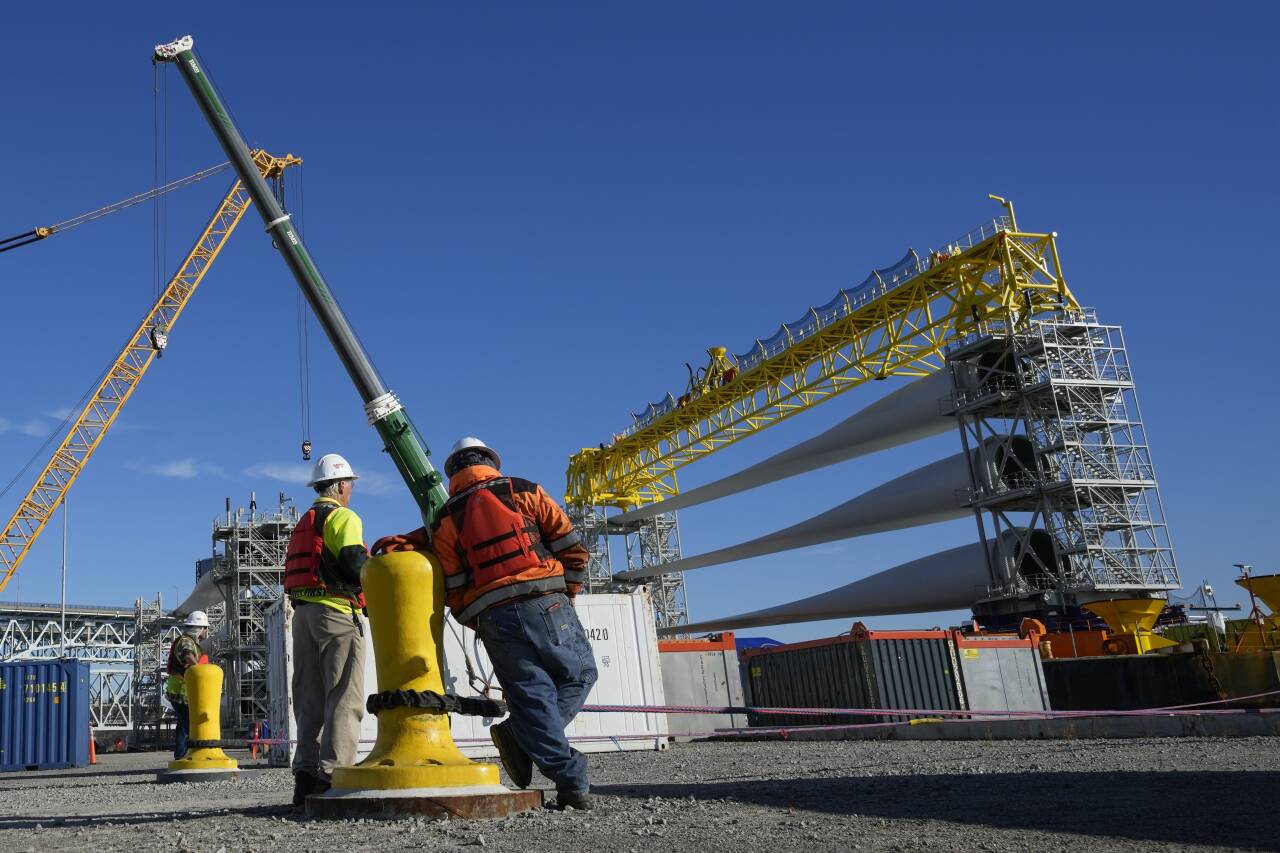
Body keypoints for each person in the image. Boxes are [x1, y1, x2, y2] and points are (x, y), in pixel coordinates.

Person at [372, 437, 597, 810]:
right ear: (491, 461)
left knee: (532, 697)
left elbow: (455, 585)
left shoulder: (446, 518)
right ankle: (523, 736)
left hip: (495, 617)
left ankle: (567, 777)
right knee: (580, 675)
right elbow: (569, 544)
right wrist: (567, 594)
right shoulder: (523, 490)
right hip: (547, 603)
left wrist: (481, 620)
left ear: (453, 473)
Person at [284, 452, 368, 806]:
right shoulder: (342, 516)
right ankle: (333, 776)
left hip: (302, 615)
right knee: (344, 696)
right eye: (349, 485)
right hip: (335, 611)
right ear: (341, 486)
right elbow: (353, 563)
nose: (351, 492)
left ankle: (305, 777)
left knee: (309, 699)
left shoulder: (304, 522)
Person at [165, 610, 210, 759]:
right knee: (186, 724)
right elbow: (187, 654)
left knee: (185, 722)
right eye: (206, 628)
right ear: (201, 628)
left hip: (181, 690)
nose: (206, 632)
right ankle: (181, 756)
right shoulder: (186, 641)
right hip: (180, 690)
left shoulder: (191, 642)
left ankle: (183, 754)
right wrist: (199, 671)